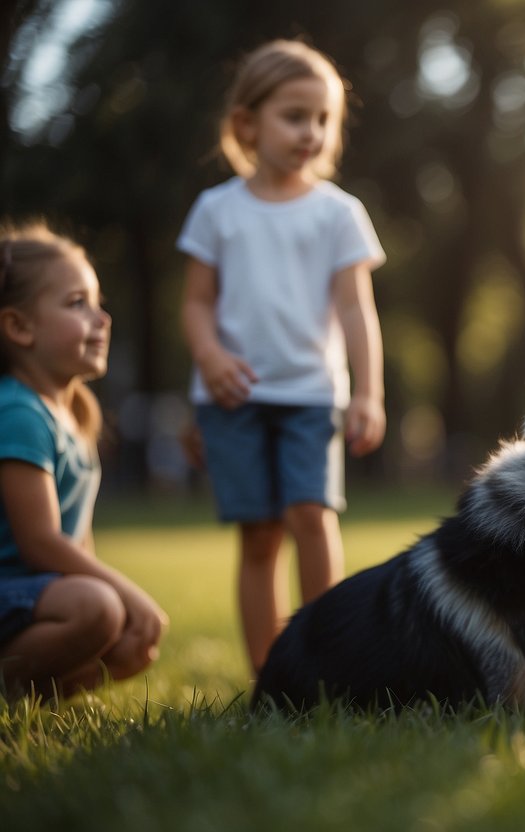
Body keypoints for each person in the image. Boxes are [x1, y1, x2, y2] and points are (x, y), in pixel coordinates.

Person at [179, 39, 386, 675]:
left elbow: (357, 311)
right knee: (259, 535)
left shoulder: (339, 214)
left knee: (311, 516)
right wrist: (210, 357)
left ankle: (325, 668)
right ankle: (271, 678)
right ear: (247, 123)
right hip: (234, 397)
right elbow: (194, 302)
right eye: (295, 116)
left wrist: (368, 394)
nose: (312, 132)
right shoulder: (217, 210)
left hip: (311, 396)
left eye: (323, 119)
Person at [0, 222, 167, 699]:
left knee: (125, 637)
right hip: (13, 588)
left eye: (98, 301)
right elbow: (41, 543)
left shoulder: (74, 413)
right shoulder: (18, 411)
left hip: (41, 596)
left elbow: (79, 543)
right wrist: (125, 594)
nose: (102, 318)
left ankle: (38, 696)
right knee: (100, 608)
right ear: (19, 326)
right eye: (77, 303)